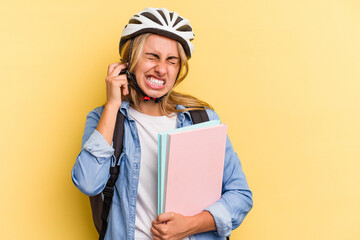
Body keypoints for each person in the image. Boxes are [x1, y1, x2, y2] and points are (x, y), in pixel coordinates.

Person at [71, 7, 253, 240]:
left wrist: (191, 225)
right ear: (129, 62)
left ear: (179, 69)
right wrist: (112, 106)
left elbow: (240, 195)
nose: (161, 68)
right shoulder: (104, 119)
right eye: (152, 56)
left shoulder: (203, 119)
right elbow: (87, 183)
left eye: (171, 60)